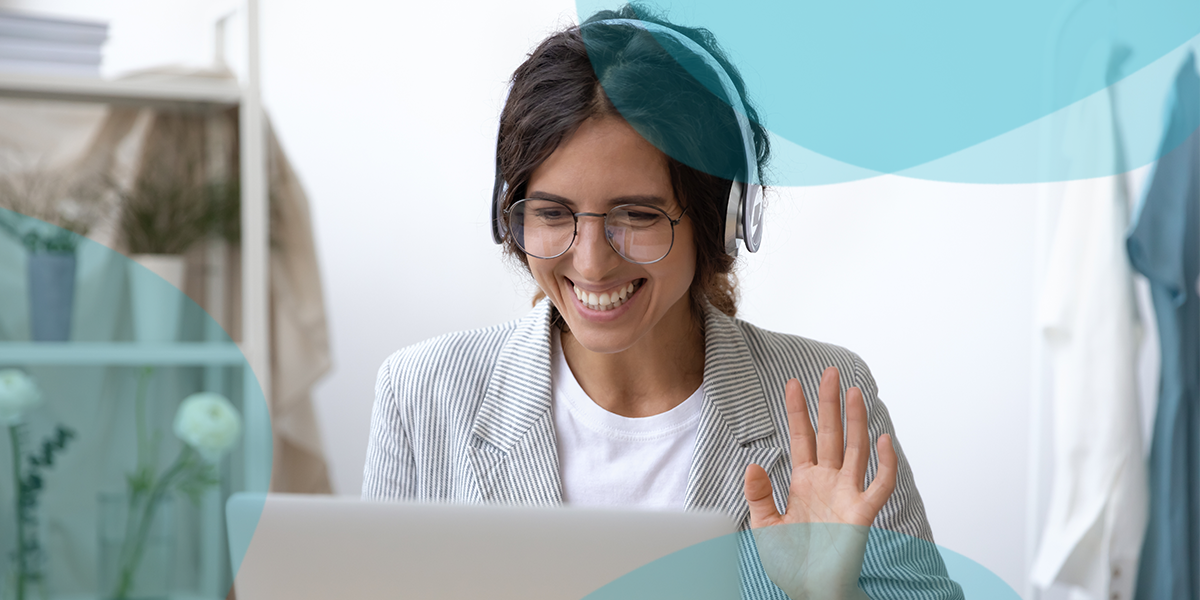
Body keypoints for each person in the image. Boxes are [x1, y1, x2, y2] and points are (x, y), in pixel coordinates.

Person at [363, 5, 963, 599]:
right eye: (552, 214)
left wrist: (830, 596)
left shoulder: (819, 397)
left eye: (637, 216)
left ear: (719, 221)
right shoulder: (422, 395)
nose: (592, 261)